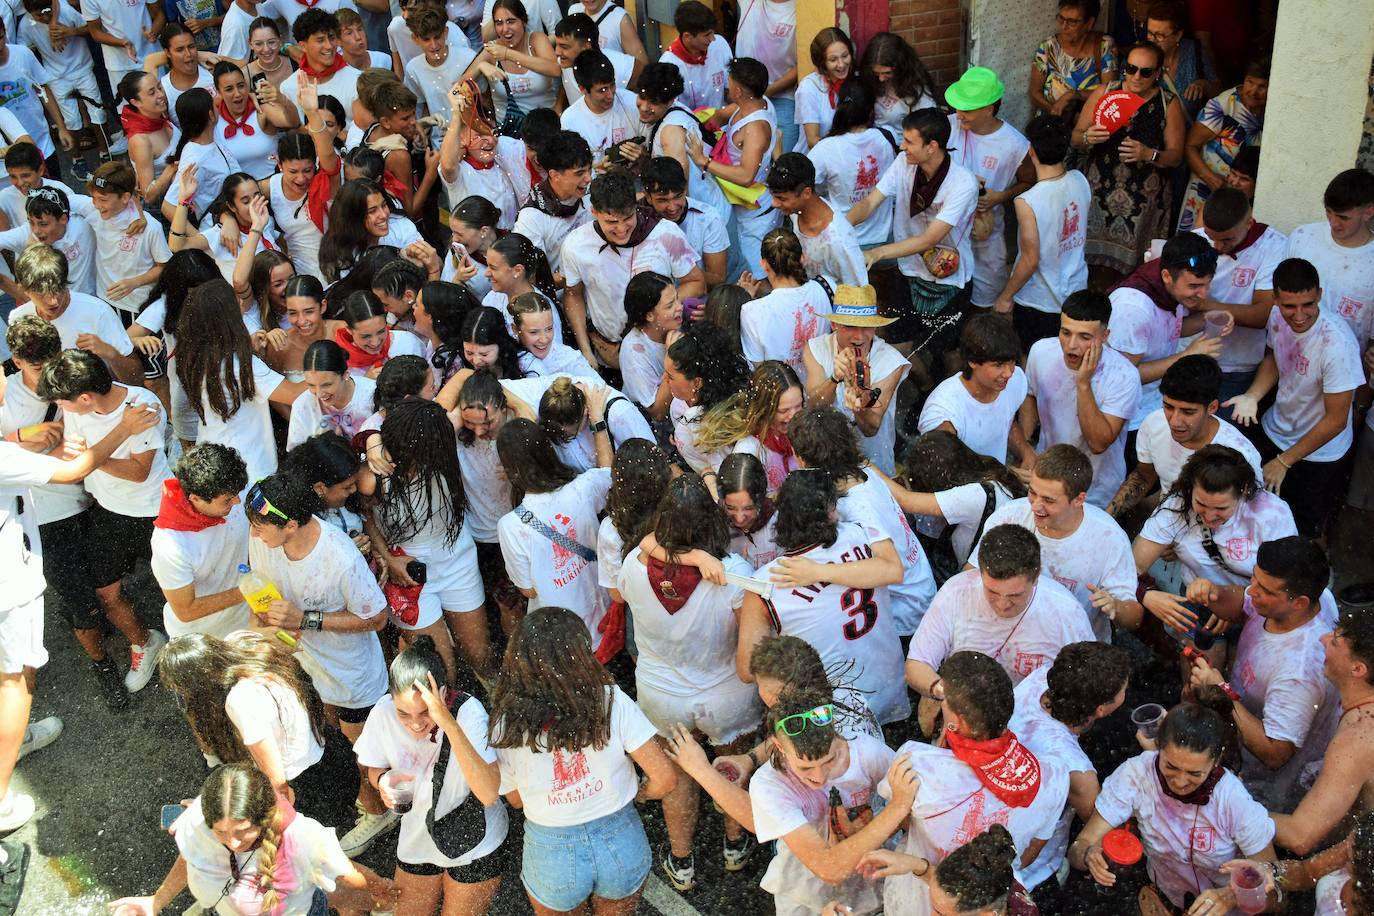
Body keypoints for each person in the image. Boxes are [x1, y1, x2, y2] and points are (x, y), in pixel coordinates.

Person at [0, 383, 159, 836]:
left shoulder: (14, 431)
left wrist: (26, 436)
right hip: (15, 572)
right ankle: (2, 787)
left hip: (61, 528)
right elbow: (74, 471)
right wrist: (124, 429)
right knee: (17, 675)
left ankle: (16, 738)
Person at [617, 475, 761, 891]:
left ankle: (682, 859)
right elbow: (748, 644)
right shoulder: (733, 574)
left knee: (678, 775)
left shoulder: (632, 565)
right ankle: (735, 844)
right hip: (725, 693)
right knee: (730, 765)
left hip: (661, 694)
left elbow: (643, 572)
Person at [242, 471, 394, 854]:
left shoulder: (340, 559)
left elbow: (377, 618)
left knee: (363, 753)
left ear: (291, 524)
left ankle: (380, 811)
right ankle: (360, 799)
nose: (254, 535)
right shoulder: (263, 537)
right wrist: (265, 634)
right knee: (328, 740)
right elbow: (259, 590)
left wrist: (304, 619)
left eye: (261, 528)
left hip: (351, 678)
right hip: (304, 669)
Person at [488, 606, 677, 915]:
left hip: (552, 853)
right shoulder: (610, 699)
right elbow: (666, 779)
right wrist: (642, 793)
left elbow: (516, 800)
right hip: (620, 839)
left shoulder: (506, 722)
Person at [881, 651, 1070, 916]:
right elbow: (1030, 853)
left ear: (955, 722)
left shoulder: (917, 763)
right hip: (991, 900)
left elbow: (898, 824)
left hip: (925, 899)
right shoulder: (1055, 774)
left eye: (943, 698)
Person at [38, 348, 170, 693]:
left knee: (176, 586)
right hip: (107, 512)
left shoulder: (142, 408)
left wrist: (91, 458)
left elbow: (140, 472)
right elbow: (69, 442)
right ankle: (145, 643)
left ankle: (192, 647)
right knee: (105, 591)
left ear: (84, 397)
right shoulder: (78, 410)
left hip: (153, 512)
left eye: (63, 403)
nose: (60, 409)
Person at [1068, 696, 1278, 913]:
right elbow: (1078, 847)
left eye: (1194, 773)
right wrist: (1087, 855)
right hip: (1162, 903)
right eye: (1170, 766)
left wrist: (1233, 895)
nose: (1179, 781)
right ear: (1158, 745)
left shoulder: (1233, 800)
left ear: (1215, 762)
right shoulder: (1136, 775)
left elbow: (1275, 890)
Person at [738, 469, 909, 725]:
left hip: (834, 715)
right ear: (830, 512)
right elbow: (894, 569)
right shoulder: (863, 535)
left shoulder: (765, 585)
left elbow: (747, 670)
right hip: (890, 688)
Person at [109, 764, 395, 916]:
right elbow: (192, 859)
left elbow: (349, 875)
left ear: (262, 816)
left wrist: (381, 892)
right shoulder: (199, 818)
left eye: (243, 830)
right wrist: (155, 902)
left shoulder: (302, 839)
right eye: (220, 832)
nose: (232, 842)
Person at [1184, 536, 1341, 813]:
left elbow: (1274, 753)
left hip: (1270, 790)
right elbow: (1241, 603)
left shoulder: (1300, 673)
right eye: (1254, 579)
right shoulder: (1318, 597)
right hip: (1243, 741)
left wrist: (1220, 691)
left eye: (1264, 589)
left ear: (1299, 603)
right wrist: (1213, 594)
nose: (1252, 591)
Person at [353, 637, 507, 916]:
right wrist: (382, 782)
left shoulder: (469, 712)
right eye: (403, 713)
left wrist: (446, 721)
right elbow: (373, 767)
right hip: (418, 835)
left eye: (425, 711)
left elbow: (488, 792)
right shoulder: (383, 712)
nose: (415, 724)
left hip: (474, 837)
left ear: (442, 693)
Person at [736, 686, 918, 915]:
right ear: (779, 746)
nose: (820, 777)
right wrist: (896, 809)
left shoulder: (867, 753)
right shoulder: (768, 784)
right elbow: (828, 868)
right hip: (804, 890)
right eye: (805, 767)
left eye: (829, 760)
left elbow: (914, 818)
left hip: (871, 879)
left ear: (836, 734)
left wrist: (872, 827)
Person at [157, 631, 360, 830]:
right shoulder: (241, 643)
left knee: (308, 850)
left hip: (310, 786)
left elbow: (278, 781)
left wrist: (225, 813)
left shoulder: (241, 701)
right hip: (331, 750)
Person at [1227, 257, 1364, 538]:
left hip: (1319, 454)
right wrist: (1253, 395)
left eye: (1308, 305)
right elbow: (1275, 359)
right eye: (1290, 306)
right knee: (1253, 511)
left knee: (1299, 531)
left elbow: (1337, 420)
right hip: (1275, 429)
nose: (1299, 315)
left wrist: (1284, 461)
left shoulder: (1336, 344)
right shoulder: (1277, 317)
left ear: (1320, 296)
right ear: (1276, 299)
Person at [364, 398, 491, 685]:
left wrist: (369, 437)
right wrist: (388, 557)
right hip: (408, 572)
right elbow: (365, 516)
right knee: (440, 672)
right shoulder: (374, 474)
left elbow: (465, 379)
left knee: (480, 655)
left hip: (456, 556)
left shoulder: (438, 434)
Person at [788, 405, 937, 637]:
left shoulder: (858, 507)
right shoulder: (861, 467)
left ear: (802, 458)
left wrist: (816, 572)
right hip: (920, 589)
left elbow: (891, 569)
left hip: (908, 615)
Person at [847, 108, 979, 362]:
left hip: (948, 281)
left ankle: (940, 392)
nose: (901, 146)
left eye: (909, 141)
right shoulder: (903, 164)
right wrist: (839, 226)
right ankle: (922, 388)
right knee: (897, 344)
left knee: (946, 352)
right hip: (908, 270)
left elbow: (929, 240)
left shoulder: (962, 183)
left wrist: (878, 253)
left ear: (932, 146)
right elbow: (870, 203)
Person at [970, 445, 1142, 641]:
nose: (1035, 506)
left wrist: (1116, 607)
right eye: (1032, 493)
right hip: (1006, 635)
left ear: (1079, 499)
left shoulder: (1109, 538)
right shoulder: (1008, 516)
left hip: (1072, 646)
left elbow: (1134, 617)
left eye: (1048, 500)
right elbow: (970, 575)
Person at [1006, 641, 1131, 904]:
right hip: (1033, 869)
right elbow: (1102, 823)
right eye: (1123, 690)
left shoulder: (1042, 678)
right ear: (1101, 710)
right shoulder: (1075, 770)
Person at [908, 524, 1094, 699]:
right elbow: (916, 664)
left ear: (1036, 577)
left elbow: (1089, 681)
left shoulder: (1066, 612)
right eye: (992, 591)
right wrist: (942, 692)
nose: (1002, 604)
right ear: (979, 572)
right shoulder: (956, 592)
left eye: (1015, 595)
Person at [1134, 445, 1298, 638]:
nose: (1210, 517)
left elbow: (1285, 580)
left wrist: (1233, 603)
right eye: (1201, 504)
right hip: (1197, 597)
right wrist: (1145, 594)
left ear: (1243, 491)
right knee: (1202, 661)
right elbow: (1130, 566)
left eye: (1221, 508)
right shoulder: (1176, 508)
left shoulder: (1271, 515)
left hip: (1257, 601)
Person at [495, 413, 614, 653]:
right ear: (547, 451)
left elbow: (528, 590)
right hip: (606, 618)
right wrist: (599, 424)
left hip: (564, 639)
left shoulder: (511, 526)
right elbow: (611, 476)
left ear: (509, 469)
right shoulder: (583, 487)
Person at [561, 170, 703, 370]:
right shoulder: (575, 244)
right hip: (607, 353)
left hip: (660, 351)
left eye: (628, 218)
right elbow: (573, 295)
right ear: (593, 212)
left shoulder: (666, 233)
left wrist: (660, 309)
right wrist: (586, 350)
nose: (621, 229)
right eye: (611, 221)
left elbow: (696, 282)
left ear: (636, 205)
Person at [1074, 41, 1186, 278]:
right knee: (1090, 266)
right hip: (1099, 196)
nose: (1136, 77)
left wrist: (1150, 154)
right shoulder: (1105, 92)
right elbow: (1075, 138)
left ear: (1158, 73)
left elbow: (1176, 156)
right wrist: (1087, 136)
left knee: (1138, 270)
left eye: (1145, 72)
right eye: (1131, 68)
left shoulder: (1168, 103)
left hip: (1144, 202)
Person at [1270, 606, 1374, 856]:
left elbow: (1300, 836)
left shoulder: (1357, 739)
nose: (1323, 638)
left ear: (1358, 670)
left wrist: (1233, 807)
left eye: (1335, 642)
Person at [1023, 290, 1142, 507]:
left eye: (1085, 337)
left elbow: (1098, 442)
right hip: (1044, 480)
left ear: (1105, 337)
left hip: (1095, 492)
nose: (1071, 345)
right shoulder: (1040, 352)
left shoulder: (1124, 376)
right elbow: (1029, 395)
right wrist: (1027, 445)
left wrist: (1083, 383)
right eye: (1065, 333)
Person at [1108, 355, 1263, 518]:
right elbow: (1143, 476)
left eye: (1188, 412)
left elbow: (1250, 516)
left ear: (1212, 407)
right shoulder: (1153, 423)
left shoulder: (1242, 456)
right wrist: (1107, 516)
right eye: (1168, 407)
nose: (1174, 421)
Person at [1108, 232, 1226, 438]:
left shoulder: (1167, 289)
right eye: (1195, 286)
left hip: (1156, 404)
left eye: (1207, 285)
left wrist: (1207, 318)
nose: (1203, 295)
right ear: (1166, 276)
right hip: (1131, 417)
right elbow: (1122, 376)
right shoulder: (1133, 308)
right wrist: (1187, 356)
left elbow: (1168, 329)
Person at [995, 114, 1091, 350]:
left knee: (1034, 359)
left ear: (1031, 150)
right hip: (1076, 291)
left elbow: (1030, 259)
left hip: (1039, 301)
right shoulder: (1080, 180)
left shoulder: (1028, 200)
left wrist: (1005, 297)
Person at [1191, 186, 1289, 415]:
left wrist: (1203, 305)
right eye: (1211, 236)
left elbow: (1264, 313)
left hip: (1238, 368)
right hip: (1191, 356)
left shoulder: (1273, 246)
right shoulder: (1195, 241)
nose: (1217, 246)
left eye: (1226, 239)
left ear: (1249, 223)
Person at [683, 56, 781, 279]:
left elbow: (747, 176)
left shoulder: (756, 127)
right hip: (740, 207)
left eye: (730, 81)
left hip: (755, 211)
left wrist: (704, 161)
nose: (727, 84)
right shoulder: (750, 102)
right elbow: (720, 116)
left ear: (738, 90)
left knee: (753, 276)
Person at [944, 67, 1032, 313]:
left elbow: (1029, 181)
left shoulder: (1014, 144)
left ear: (989, 109)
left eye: (967, 109)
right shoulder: (947, 127)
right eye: (958, 107)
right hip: (945, 232)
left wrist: (1000, 197)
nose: (960, 115)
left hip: (987, 235)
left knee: (984, 299)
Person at [881, 430, 1025, 573]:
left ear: (938, 480)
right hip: (994, 565)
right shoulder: (984, 471)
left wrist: (866, 466)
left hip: (977, 576)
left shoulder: (974, 496)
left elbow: (907, 501)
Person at [802, 284, 907, 476]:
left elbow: (870, 427)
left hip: (873, 466)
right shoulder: (816, 349)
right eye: (850, 326)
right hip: (825, 461)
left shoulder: (891, 362)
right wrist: (834, 379)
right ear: (834, 325)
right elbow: (813, 406)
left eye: (866, 327)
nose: (859, 336)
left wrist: (859, 404)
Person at [149, 443, 252, 640]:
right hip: (201, 640)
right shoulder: (169, 546)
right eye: (228, 500)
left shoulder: (231, 494)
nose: (238, 502)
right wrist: (248, 591)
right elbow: (186, 610)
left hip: (244, 624)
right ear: (196, 499)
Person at [9, 243, 143, 385]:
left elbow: (136, 378)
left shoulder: (98, 312)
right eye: (41, 293)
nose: (53, 301)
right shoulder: (18, 319)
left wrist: (110, 353)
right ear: (23, 289)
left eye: (58, 289)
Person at [919, 314, 1035, 469]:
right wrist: (1008, 477)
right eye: (998, 365)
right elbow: (949, 473)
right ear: (972, 360)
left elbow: (1007, 422)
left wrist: (1026, 452)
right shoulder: (942, 412)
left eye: (1012, 361)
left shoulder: (1014, 380)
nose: (1008, 372)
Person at [1177, 57, 1268, 233]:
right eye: (1250, 82)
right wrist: (1210, 178)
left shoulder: (1273, 110)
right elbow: (1190, 146)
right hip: (1208, 189)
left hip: (1246, 198)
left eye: (1262, 86)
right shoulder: (1224, 105)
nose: (1253, 91)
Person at [1285, 168, 1374, 347]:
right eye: (1328, 212)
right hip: (1289, 357)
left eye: (1343, 217)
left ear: (1368, 212)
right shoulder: (1302, 236)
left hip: (1345, 367)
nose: (1333, 223)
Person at [808, 81, 895, 252]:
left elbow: (802, 182)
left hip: (846, 241)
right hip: (887, 240)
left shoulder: (826, 148)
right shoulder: (885, 138)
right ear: (871, 111)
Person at [739, 229, 832, 383]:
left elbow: (759, 369)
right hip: (825, 389)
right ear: (802, 258)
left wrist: (746, 298)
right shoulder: (827, 286)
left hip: (785, 400)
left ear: (764, 265)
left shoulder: (752, 311)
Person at [662, 321, 751, 476]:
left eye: (670, 376)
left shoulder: (705, 423)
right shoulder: (678, 405)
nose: (664, 380)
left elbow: (727, 478)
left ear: (697, 382)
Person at [767, 153, 867, 287]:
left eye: (781, 199)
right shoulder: (795, 210)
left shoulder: (839, 242)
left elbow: (860, 293)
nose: (774, 203)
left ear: (806, 193)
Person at [597, 437, 670, 606]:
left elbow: (617, 594)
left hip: (641, 610)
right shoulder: (675, 507)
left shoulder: (611, 528)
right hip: (681, 597)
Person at [511, 129, 593, 277]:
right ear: (554, 175)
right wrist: (581, 273)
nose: (589, 179)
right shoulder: (531, 219)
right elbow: (530, 279)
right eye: (580, 173)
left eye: (590, 170)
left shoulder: (591, 191)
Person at [638, 156, 730, 288]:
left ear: (685, 188)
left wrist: (679, 267)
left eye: (678, 197)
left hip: (694, 304)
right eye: (663, 200)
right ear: (647, 196)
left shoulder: (708, 218)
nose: (672, 207)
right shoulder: (634, 218)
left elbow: (718, 279)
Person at [1028, 0, 1116, 123]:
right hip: (1052, 123)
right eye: (1061, 18)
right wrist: (1056, 112)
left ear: (1089, 23)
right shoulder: (1049, 47)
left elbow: (1110, 91)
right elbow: (1034, 93)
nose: (1064, 26)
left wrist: (1072, 95)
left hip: (1088, 123)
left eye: (1072, 22)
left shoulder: (1104, 46)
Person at [480, 0, 560, 135]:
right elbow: (459, 88)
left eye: (511, 21)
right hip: (509, 136)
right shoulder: (492, 50)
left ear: (524, 21)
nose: (505, 29)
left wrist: (508, 54)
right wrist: (481, 66)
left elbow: (555, 70)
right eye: (499, 23)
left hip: (547, 132)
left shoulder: (537, 39)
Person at [286, 340, 379, 450]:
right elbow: (297, 456)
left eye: (327, 385)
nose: (319, 394)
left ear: (345, 374)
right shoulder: (302, 406)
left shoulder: (374, 394)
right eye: (311, 385)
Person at [212, 62, 294, 181]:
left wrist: (282, 99)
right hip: (242, 194)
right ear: (218, 92)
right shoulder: (214, 121)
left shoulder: (262, 110)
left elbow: (292, 122)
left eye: (241, 86)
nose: (237, 94)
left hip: (275, 185)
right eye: (229, 89)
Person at [734, 0, 796, 154]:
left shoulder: (799, 10)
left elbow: (803, 64)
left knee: (782, 163)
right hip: (743, 98)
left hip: (783, 98)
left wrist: (766, 91)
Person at [613, 266, 679, 411]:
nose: (679, 307)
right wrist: (674, 360)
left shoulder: (677, 323)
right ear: (649, 315)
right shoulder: (634, 351)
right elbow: (657, 411)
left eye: (677, 299)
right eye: (670, 305)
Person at [278, 10, 363, 122]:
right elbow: (295, 130)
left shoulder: (357, 81)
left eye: (332, 38)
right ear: (303, 46)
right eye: (320, 40)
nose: (329, 46)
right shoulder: (288, 87)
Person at [560, 50, 639, 166]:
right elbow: (575, 169)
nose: (611, 95)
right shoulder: (570, 121)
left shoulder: (633, 102)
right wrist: (599, 169)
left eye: (612, 85)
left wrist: (642, 156)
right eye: (602, 90)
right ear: (582, 89)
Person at [116, 72, 179, 206]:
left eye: (159, 87)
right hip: (167, 206)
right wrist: (172, 169)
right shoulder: (141, 141)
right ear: (136, 102)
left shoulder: (158, 114)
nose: (161, 94)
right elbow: (148, 196)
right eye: (152, 93)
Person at [860, 31, 936, 142]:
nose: (881, 78)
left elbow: (928, 129)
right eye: (876, 73)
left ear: (901, 66)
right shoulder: (872, 80)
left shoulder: (918, 91)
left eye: (887, 73)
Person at [334, 290, 428, 378]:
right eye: (365, 336)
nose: (375, 342)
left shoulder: (408, 343)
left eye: (381, 331)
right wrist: (365, 383)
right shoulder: (340, 366)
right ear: (349, 330)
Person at [658, 1, 730, 112]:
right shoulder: (668, 65)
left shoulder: (720, 44)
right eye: (706, 35)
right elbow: (669, 111)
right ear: (687, 36)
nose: (713, 39)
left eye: (712, 32)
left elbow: (729, 90)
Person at [552, 13, 637, 106]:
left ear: (586, 47)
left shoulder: (621, 66)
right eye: (557, 45)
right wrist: (558, 107)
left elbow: (647, 85)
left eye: (564, 47)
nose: (557, 52)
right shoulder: (565, 61)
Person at [793, 27, 854, 153]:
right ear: (822, 62)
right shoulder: (809, 88)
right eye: (833, 60)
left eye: (845, 56)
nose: (841, 64)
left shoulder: (855, 83)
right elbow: (812, 141)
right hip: (815, 163)